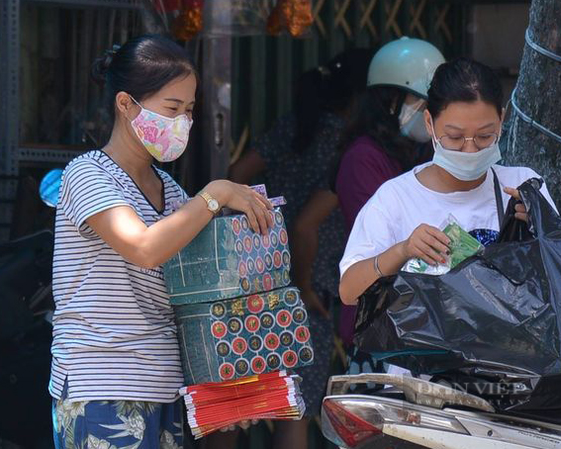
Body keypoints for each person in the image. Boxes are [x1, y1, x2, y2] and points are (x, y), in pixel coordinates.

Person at [49, 35, 273, 449]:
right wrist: (216, 194)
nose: (183, 122)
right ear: (125, 104)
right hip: (103, 385)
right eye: (172, 109)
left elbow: (197, 293)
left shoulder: (169, 190)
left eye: (189, 111)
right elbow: (144, 246)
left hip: (165, 388)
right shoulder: (87, 175)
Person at [224, 48, 372, 449]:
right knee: (293, 408)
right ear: (360, 99)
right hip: (310, 292)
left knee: (233, 403)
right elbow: (308, 225)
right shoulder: (347, 147)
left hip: (254, 280)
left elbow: (237, 175)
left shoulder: (293, 127)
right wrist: (303, 285)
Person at [338, 58, 557, 313]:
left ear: (502, 118)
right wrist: (402, 250)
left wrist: (543, 226)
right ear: (429, 123)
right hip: (426, 353)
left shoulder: (523, 185)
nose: (470, 148)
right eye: (454, 137)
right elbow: (349, 291)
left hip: (514, 351)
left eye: (485, 136)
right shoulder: (395, 198)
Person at [334, 37, 445, 350]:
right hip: (379, 318)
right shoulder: (363, 158)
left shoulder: (423, 150)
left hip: (425, 318)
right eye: (422, 104)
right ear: (390, 100)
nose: (429, 115)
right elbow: (381, 236)